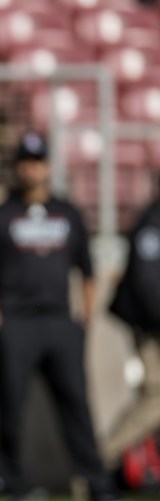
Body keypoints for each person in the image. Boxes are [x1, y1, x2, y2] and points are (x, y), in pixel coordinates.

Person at [0, 132, 121, 501]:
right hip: (16, 323)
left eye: (38, 161)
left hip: (60, 323)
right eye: (25, 161)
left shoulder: (68, 214)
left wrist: (83, 319)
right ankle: (16, 489)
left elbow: (87, 271)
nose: (32, 168)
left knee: (77, 406)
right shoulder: (0, 215)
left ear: (48, 166)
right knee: (11, 406)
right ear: (18, 166)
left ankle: (99, 487)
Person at [106, 191, 160, 462]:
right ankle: (101, 459)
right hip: (151, 328)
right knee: (156, 397)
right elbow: (148, 285)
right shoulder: (152, 225)